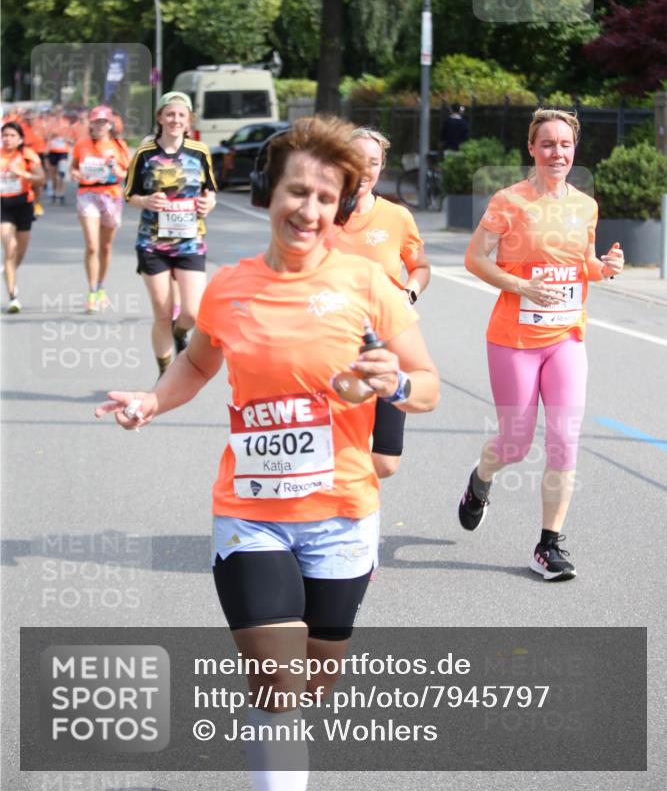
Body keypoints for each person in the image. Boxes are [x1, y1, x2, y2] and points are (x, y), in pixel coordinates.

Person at [97, 115, 440, 791]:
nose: (308, 210)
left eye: (324, 197)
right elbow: (197, 364)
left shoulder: (367, 284)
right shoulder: (230, 286)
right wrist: (152, 400)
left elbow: (426, 384)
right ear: (268, 193)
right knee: (278, 681)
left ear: (339, 206)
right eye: (297, 192)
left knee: (314, 678)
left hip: (341, 515)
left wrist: (395, 384)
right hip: (250, 513)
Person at [458, 108, 624, 580]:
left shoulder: (585, 205)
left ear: (574, 150)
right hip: (514, 340)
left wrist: (605, 267)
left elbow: (584, 263)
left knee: (565, 440)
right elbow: (475, 259)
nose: (557, 153)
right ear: (531, 148)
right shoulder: (509, 201)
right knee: (514, 444)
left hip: (567, 336)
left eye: (565, 144)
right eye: (547, 144)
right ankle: (480, 479)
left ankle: (548, 546)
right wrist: (520, 285)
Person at [328, 126, 431, 478]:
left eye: (373, 162)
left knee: (385, 462)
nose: (364, 169)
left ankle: (347, 489)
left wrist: (408, 293)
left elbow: (420, 267)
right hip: (334, 341)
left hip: (387, 340)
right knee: (345, 442)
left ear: (382, 166)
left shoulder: (397, 217)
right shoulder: (322, 213)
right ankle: (344, 502)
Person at [124, 91, 216, 374]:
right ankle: (165, 375)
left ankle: (180, 332)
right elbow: (129, 194)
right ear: (160, 118)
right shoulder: (145, 153)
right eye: (170, 114)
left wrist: (208, 204)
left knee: (193, 312)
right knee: (162, 314)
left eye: (181, 115)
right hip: (152, 243)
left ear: (189, 120)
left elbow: (211, 191)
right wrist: (146, 201)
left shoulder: (200, 152)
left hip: (190, 241)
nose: (175, 120)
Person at [70, 105, 131, 312]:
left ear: (110, 124)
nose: (99, 125)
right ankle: (92, 290)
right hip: (87, 194)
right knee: (92, 246)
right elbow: (74, 167)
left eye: (103, 122)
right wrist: (75, 174)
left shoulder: (119, 145)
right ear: (91, 123)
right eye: (96, 121)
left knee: (105, 247)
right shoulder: (81, 145)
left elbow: (128, 173)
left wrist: (119, 172)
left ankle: (101, 285)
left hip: (111, 195)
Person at [1, 121, 44, 312]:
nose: (7, 139)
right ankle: (13, 297)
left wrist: (22, 174)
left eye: (12, 136)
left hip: (24, 204)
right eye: (5, 135)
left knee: (20, 253)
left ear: (20, 139)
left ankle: (8, 272)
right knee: (10, 246)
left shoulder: (27, 155)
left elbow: (41, 179)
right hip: (3, 205)